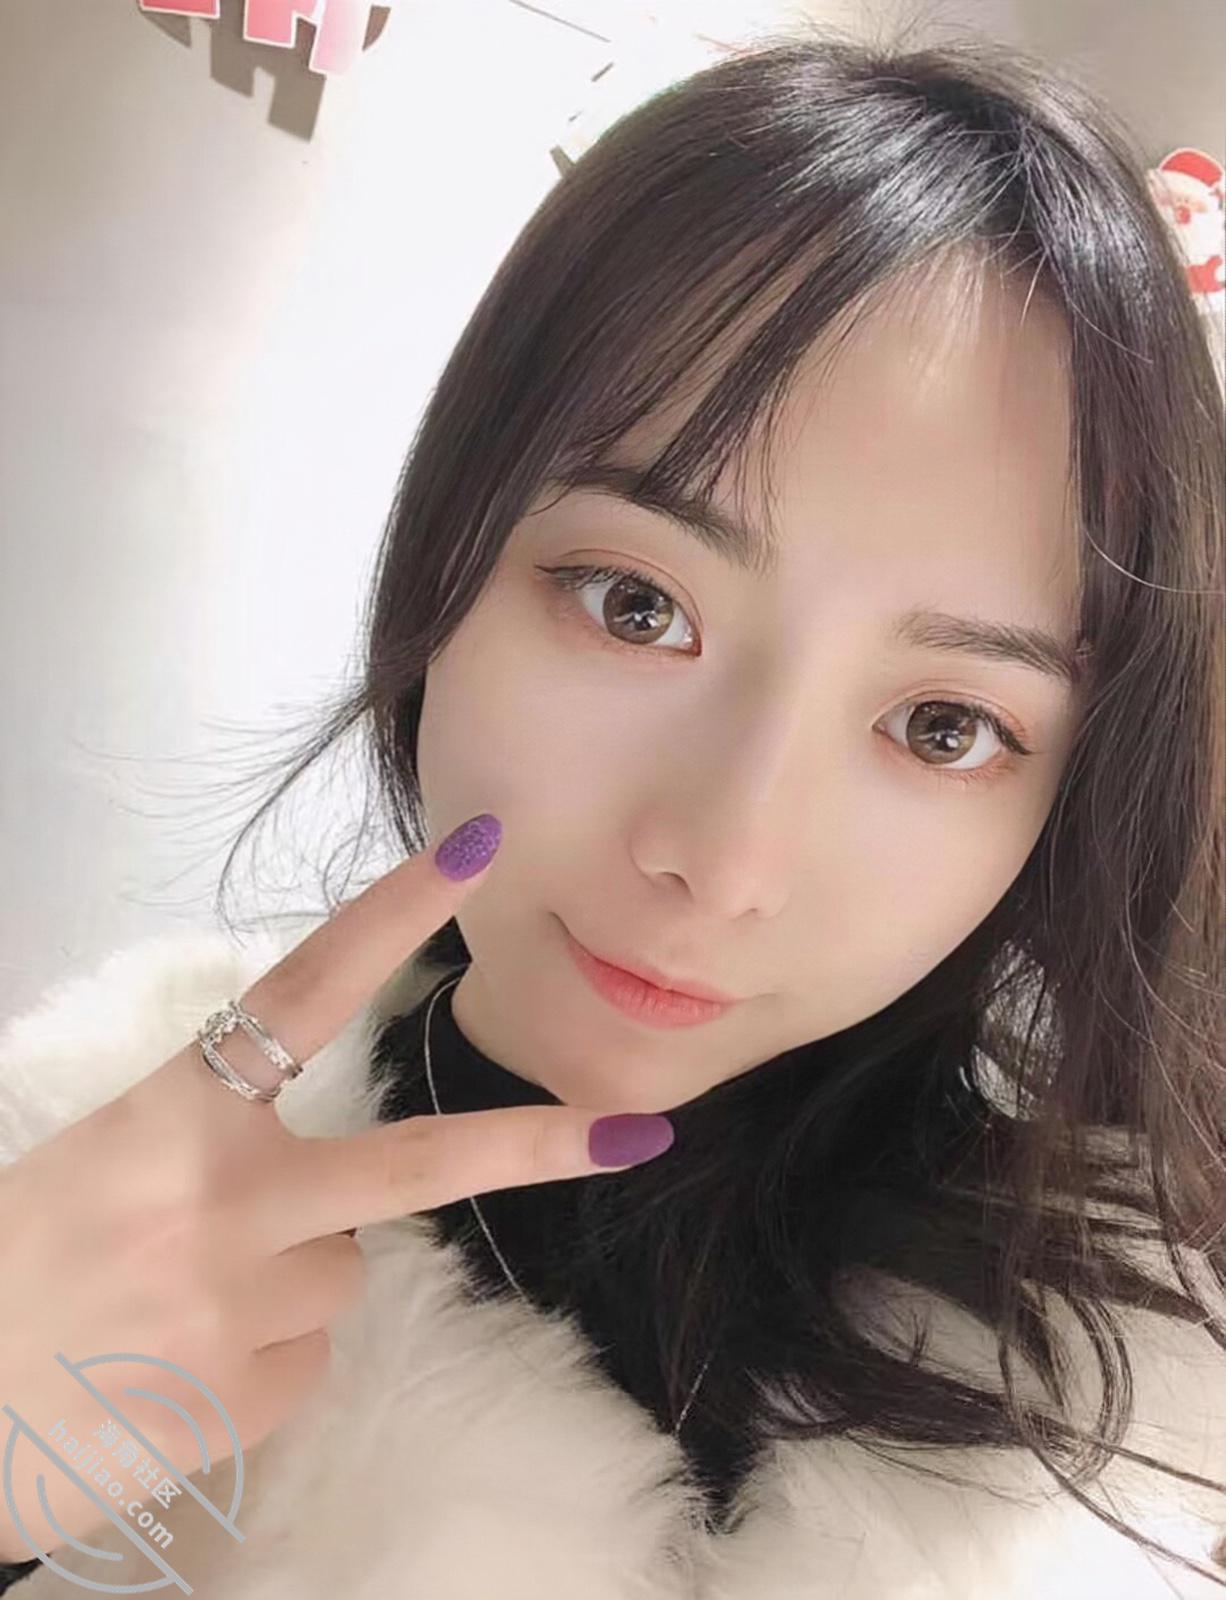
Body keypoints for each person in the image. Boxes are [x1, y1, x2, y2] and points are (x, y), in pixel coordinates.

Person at [1, 23, 1223, 1599]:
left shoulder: (1128, 1419)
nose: (721, 860)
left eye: (943, 725)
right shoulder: (64, 1180)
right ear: (449, 554)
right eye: (635, 606)